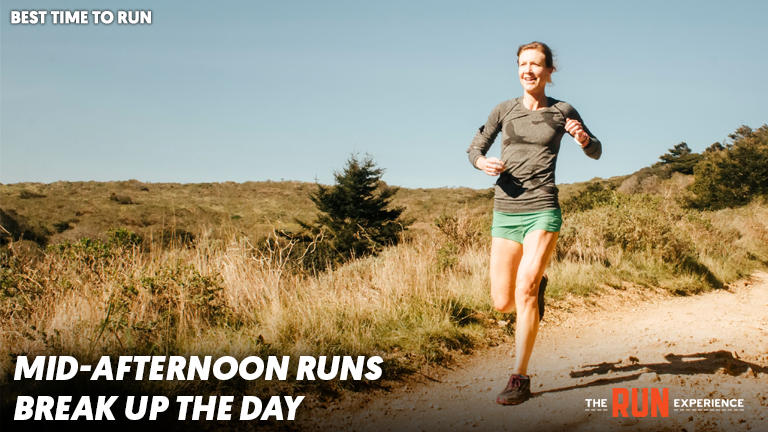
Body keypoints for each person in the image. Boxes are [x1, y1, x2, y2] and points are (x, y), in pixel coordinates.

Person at [466, 41, 602, 405]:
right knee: (501, 302)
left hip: (543, 208)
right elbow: (474, 150)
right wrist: (483, 163)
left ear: (549, 71)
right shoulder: (503, 110)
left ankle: (519, 377)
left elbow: (596, 150)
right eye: (523, 64)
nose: (528, 70)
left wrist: (584, 139)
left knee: (522, 290)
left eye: (536, 65)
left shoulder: (563, 111)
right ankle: (537, 284)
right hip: (506, 209)